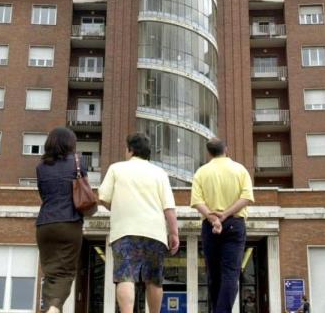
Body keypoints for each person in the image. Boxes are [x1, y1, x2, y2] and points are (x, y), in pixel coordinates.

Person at [98, 133, 180, 313]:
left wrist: (119, 207)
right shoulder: (159, 173)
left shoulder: (116, 169)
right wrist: (174, 233)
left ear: (130, 150)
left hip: (124, 230)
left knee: (125, 276)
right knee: (154, 279)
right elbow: (169, 208)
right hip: (155, 232)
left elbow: (103, 197)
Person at [190, 138, 254, 313]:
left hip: (210, 226)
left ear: (208, 153)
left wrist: (214, 219)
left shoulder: (201, 172)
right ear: (226, 149)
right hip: (235, 223)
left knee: (214, 274)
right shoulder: (240, 170)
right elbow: (246, 198)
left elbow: (196, 202)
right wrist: (225, 215)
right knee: (230, 274)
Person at [35, 127, 84, 313]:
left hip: (45, 224)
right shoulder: (77, 162)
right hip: (69, 223)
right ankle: (54, 308)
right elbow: (82, 191)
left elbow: (43, 195)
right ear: (70, 143)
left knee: (50, 274)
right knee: (65, 273)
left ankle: (49, 309)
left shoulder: (40, 167)